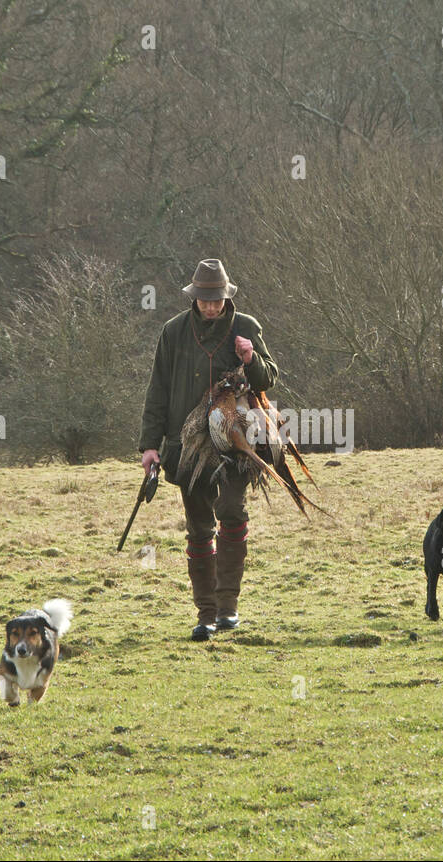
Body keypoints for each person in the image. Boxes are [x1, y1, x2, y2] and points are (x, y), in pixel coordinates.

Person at [139, 259, 279, 641]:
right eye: (206, 300)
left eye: (217, 300)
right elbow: (157, 390)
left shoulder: (246, 326)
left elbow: (269, 376)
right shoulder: (173, 332)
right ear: (195, 298)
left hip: (237, 444)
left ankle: (227, 606)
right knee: (199, 527)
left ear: (226, 296)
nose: (212, 306)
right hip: (186, 446)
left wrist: (251, 359)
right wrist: (149, 445)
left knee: (231, 511)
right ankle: (206, 615)